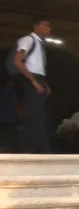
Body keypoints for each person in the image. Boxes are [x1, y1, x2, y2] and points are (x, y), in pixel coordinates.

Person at [12, 16, 52, 154]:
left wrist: (44, 83)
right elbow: (18, 61)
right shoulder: (28, 40)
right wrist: (33, 81)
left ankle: (32, 146)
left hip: (39, 78)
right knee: (35, 115)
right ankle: (36, 147)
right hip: (31, 79)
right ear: (35, 26)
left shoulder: (40, 44)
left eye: (49, 26)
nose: (48, 29)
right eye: (44, 25)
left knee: (38, 114)